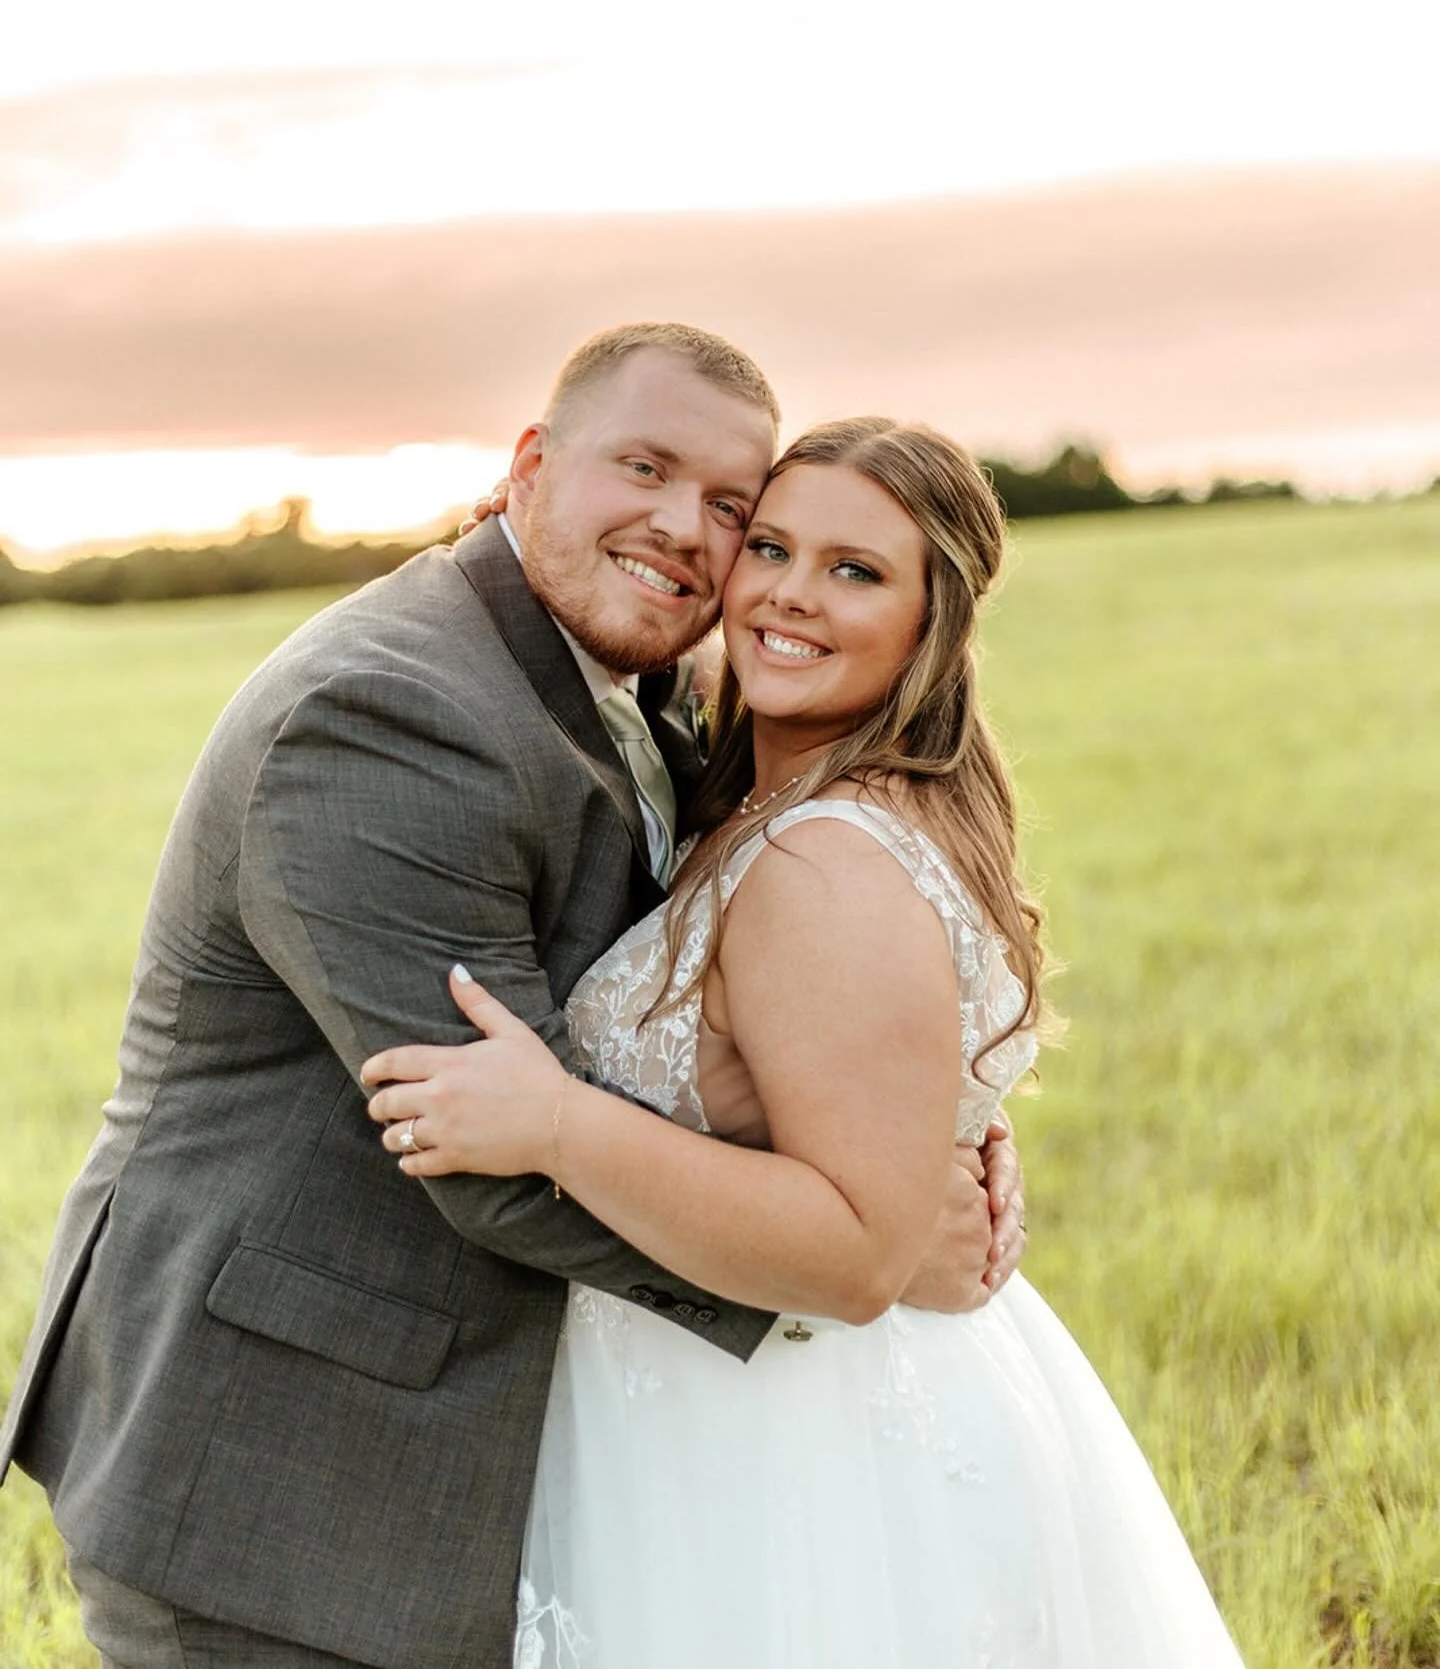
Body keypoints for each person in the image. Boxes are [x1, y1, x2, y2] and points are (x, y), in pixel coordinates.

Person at [0, 325, 1023, 1669]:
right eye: (644, 468)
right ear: (530, 465)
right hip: (280, 1472)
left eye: (731, 508)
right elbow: (483, 1151)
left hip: (458, 1456)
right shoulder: (389, 711)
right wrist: (854, 1260)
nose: (688, 532)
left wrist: (894, 1150)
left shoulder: (648, 689)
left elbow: (764, 1024)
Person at [362, 417, 1247, 1667]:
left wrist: (557, 1122)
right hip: (732, 1413)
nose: (788, 593)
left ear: (932, 620)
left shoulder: (823, 860)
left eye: (856, 570)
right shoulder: (776, 807)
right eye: (769, 545)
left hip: (803, 1455)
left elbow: (850, 1253)